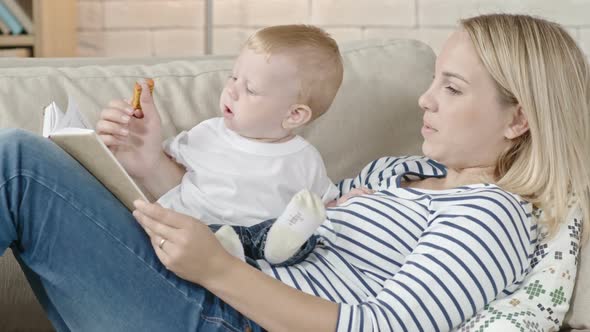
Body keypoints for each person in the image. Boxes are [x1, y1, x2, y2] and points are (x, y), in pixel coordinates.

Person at [0, 13, 588, 331]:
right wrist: (150, 165)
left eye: (452, 88)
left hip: (230, 315)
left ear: (519, 121)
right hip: (205, 287)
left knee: (18, 167)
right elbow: (271, 231)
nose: (424, 100)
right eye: (433, 79)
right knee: (29, 159)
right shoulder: (398, 172)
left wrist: (216, 270)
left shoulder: (491, 214)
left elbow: (384, 329)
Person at [97, 24, 363, 264]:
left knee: (294, 237)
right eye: (233, 77)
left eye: (251, 89)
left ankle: (255, 251)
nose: (232, 91)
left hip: (257, 255)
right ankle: (227, 249)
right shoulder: (208, 133)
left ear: (294, 115)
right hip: (190, 234)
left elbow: (319, 207)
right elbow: (159, 160)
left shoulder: (304, 159)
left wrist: (345, 204)